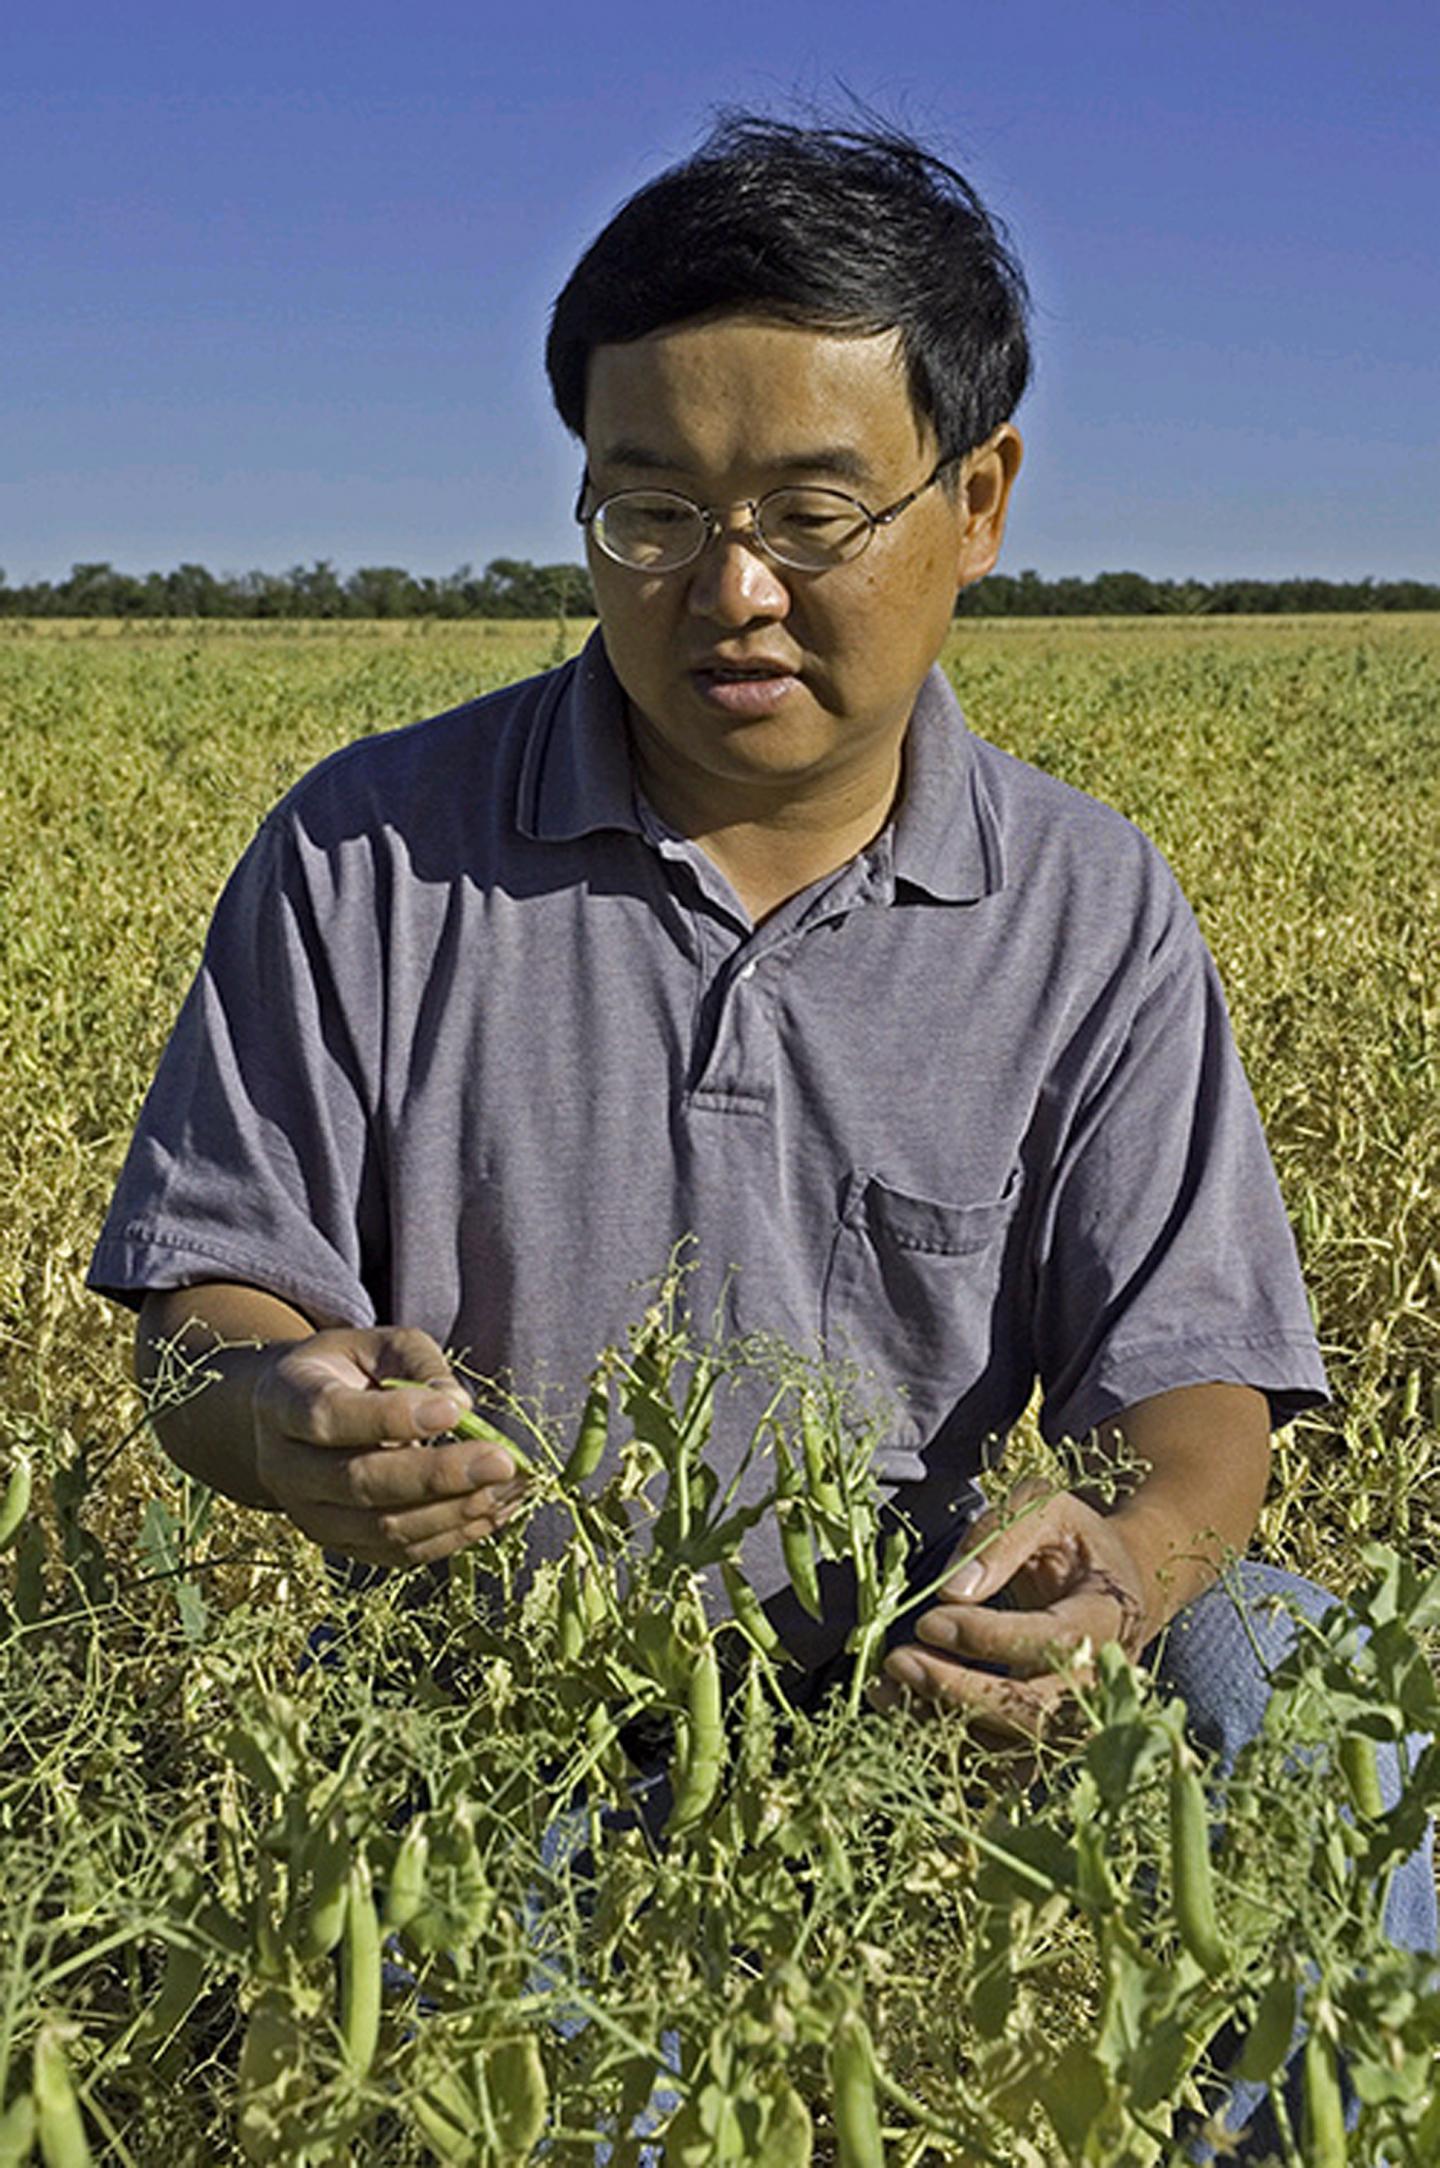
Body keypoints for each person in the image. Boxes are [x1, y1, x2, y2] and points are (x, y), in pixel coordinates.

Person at [89, 114, 1433, 2148]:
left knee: (1319, 1686)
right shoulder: (366, 857)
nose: (727, 590)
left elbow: (1197, 1391)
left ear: (975, 502)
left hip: (945, 1703)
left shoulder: (1091, 906)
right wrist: (279, 1405)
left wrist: (1129, 1566)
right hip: (521, 1708)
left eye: (811, 514)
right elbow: (201, 1303)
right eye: (648, 512)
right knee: (552, 2092)